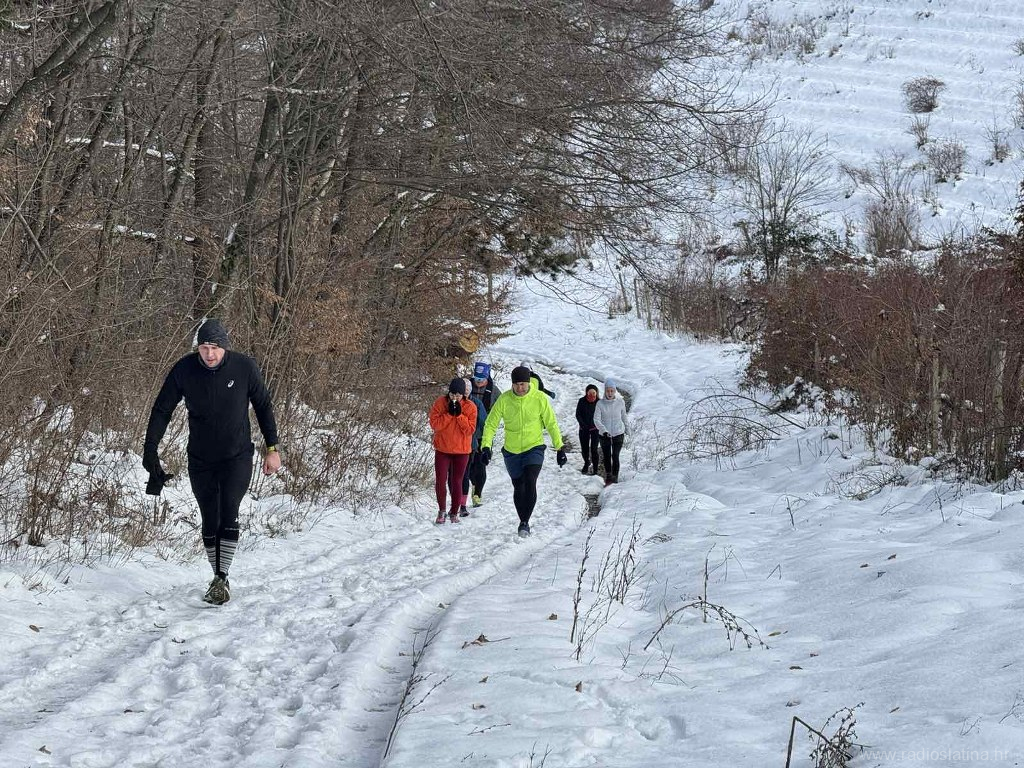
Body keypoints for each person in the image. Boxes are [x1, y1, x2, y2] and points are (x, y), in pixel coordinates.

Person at [143, 318, 281, 605]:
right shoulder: (184, 369)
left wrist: (272, 448)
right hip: (201, 458)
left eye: (215, 348)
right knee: (209, 519)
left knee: (229, 510)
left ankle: (221, 576)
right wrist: (150, 448)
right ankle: (218, 576)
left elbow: (263, 406)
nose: (209, 354)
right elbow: (162, 408)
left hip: (236, 456)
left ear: (225, 347)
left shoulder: (244, 367)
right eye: (204, 348)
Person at [480, 365, 567, 537]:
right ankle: (522, 519)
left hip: (534, 447)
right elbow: (490, 424)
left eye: (523, 384)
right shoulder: (504, 400)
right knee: (518, 486)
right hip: (511, 451)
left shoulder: (539, 398)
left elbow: (551, 423)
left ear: (528, 383)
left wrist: (560, 448)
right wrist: (486, 446)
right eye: (517, 384)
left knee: (530, 480)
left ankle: (525, 522)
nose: (520, 388)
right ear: (512, 384)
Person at [429, 378, 477, 525]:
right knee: (440, 479)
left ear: (464, 395)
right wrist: (449, 415)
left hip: (461, 451)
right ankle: (442, 510)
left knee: (457, 481)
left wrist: (460, 416)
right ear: (448, 393)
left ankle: (454, 511)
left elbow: (470, 430)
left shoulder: (470, 407)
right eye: (452, 394)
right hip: (443, 449)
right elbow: (435, 424)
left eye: (458, 395)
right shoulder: (440, 403)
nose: (454, 398)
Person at [468, 361, 501, 506]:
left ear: (487, 377)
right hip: (467, 432)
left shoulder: (494, 391)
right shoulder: (467, 386)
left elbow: (501, 409)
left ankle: (477, 495)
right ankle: (473, 483)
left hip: (484, 432)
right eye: (477, 378)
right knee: (468, 464)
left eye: (482, 378)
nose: (479, 381)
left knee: (481, 464)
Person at [457, 377, 488, 516]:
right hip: (454, 445)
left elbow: (484, 422)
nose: (465, 394)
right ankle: (459, 502)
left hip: (473, 443)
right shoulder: (450, 403)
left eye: (467, 391)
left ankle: (475, 495)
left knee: (476, 470)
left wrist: (485, 442)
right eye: (462, 391)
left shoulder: (476, 404)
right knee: (461, 474)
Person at [594, 378, 628, 485]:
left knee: (615, 455)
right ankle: (608, 476)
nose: (610, 393)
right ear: (605, 391)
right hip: (604, 435)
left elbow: (624, 417)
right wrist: (603, 430)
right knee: (607, 456)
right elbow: (596, 419)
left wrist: (628, 430)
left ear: (615, 391)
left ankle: (615, 477)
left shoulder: (620, 402)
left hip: (618, 433)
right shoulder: (600, 404)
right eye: (608, 390)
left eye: (612, 391)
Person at [575, 384, 600, 475]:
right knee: (584, 449)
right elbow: (578, 414)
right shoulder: (581, 401)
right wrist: (582, 425)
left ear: (596, 393)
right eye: (590, 393)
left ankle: (595, 469)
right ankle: (586, 462)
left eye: (593, 393)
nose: (591, 395)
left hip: (595, 429)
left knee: (594, 449)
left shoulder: (599, 402)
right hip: (584, 429)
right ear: (586, 392)